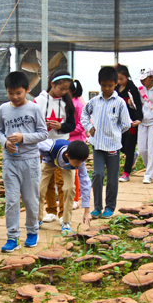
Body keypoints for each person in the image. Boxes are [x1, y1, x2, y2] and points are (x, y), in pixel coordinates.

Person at [0, 71, 48, 253]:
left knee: (30, 199)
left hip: (30, 161)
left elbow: (43, 133)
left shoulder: (34, 109)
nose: (15, 97)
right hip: (10, 161)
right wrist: (5, 142)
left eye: (19, 93)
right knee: (11, 200)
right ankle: (12, 237)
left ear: (27, 90)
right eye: (11, 93)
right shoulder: (3, 109)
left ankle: (32, 232)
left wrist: (22, 137)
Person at [81, 67, 130, 218]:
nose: (107, 88)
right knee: (97, 174)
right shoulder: (94, 101)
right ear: (99, 84)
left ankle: (110, 207)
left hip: (113, 146)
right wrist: (89, 127)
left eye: (110, 85)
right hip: (97, 145)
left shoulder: (120, 103)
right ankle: (97, 206)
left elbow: (126, 123)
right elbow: (84, 114)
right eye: (103, 85)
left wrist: (115, 133)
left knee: (112, 178)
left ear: (116, 84)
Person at [33, 70, 75, 231]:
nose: (64, 92)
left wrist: (61, 126)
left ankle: (65, 218)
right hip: (44, 148)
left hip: (63, 147)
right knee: (43, 184)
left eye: (66, 89)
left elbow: (72, 125)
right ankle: (44, 213)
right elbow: (33, 122)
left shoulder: (67, 102)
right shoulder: (39, 101)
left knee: (65, 184)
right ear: (52, 84)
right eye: (61, 88)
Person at [37, 139, 91, 233]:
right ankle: (36, 219)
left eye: (80, 163)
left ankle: (66, 222)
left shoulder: (79, 162)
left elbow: (85, 183)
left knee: (69, 189)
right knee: (39, 189)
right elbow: (34, 143)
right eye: (77, 164)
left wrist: (87, 211)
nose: (78, 166)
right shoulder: (48, 146)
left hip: (68, 168)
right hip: (49, 162)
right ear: (67, 156)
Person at [115, 65, 143, 183]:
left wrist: (139, 118)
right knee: (119, 145)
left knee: (130, 146)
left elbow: (138, 106)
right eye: (118, 79)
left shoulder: (133, 89)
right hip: (118, 123)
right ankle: (132, 155)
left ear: (127, 77)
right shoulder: (115, 89)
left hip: (131, 122)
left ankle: (126, 172)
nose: (120, 81)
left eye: (122, 79)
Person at [68, 79, 86, 209]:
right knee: (70, 170)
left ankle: (77, 195)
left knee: (77, 171)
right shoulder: (65, 104)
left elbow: (81, 125)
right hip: (68, 141)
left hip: (77, 141)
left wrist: (67, 130)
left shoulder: (78, 105)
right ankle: (73, 194)